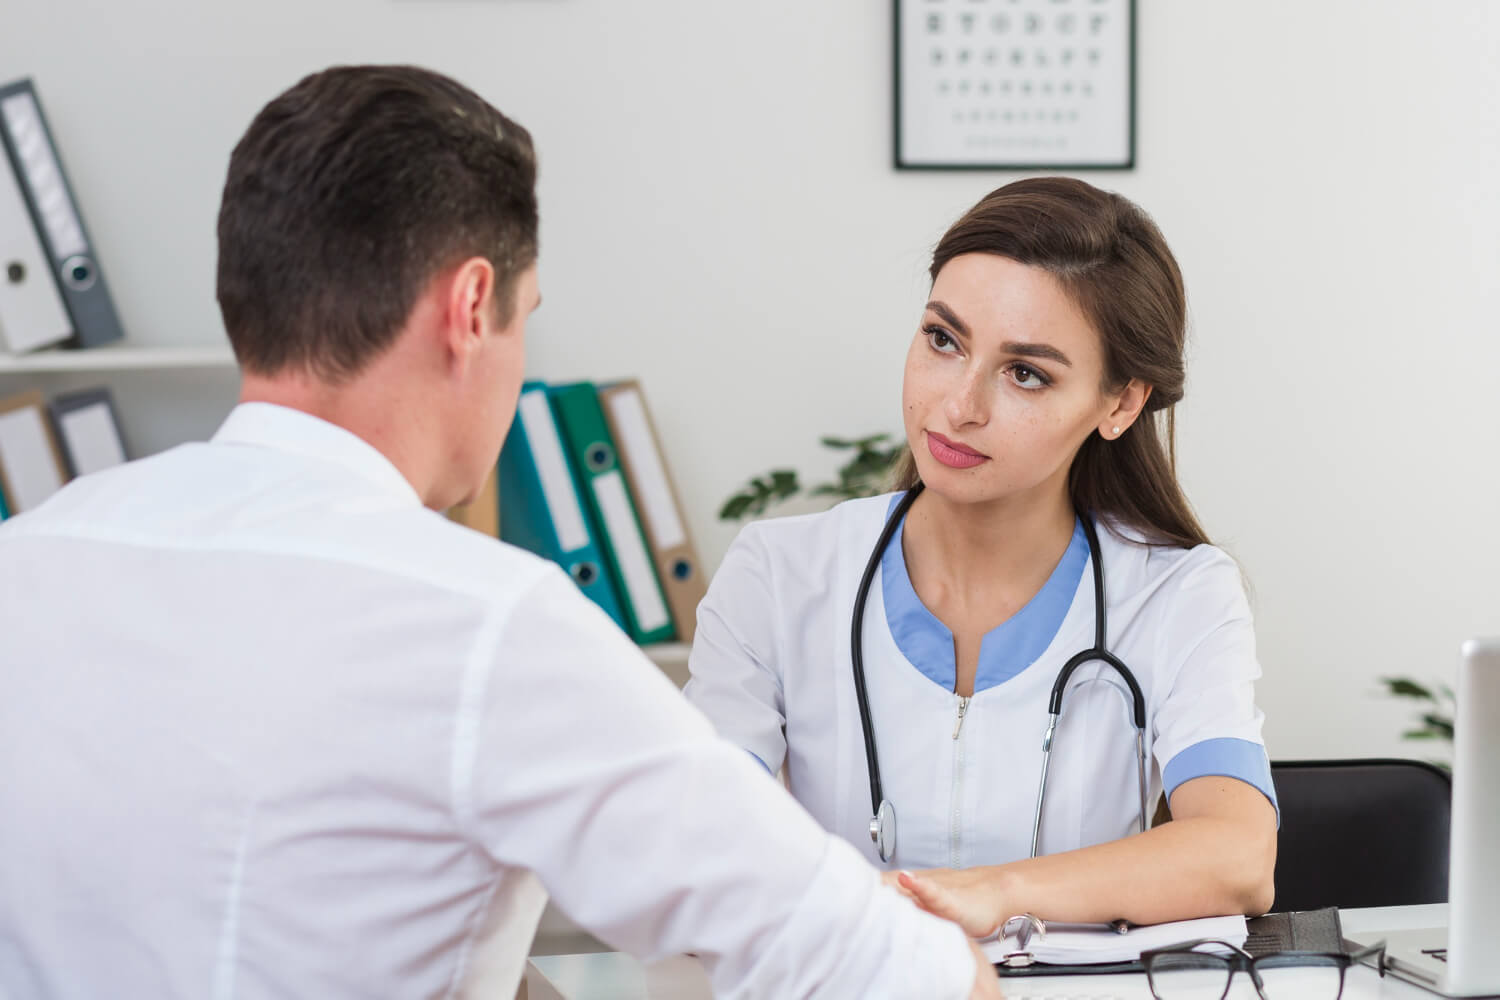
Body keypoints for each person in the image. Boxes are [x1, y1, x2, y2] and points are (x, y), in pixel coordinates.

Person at [0, 65, 1002, 1000]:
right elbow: (887, 968)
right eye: (525, 316)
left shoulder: (31, 560)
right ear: (471, 306)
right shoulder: (483, 621)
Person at [684, 177, 1280, 941]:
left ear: (1121, 404)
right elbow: (698, 842)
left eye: (1025, 372)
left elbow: (1238, 855)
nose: (959, 405)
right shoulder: (779, 576)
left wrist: (996, 892)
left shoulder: (1177, 593)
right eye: (943, 339)